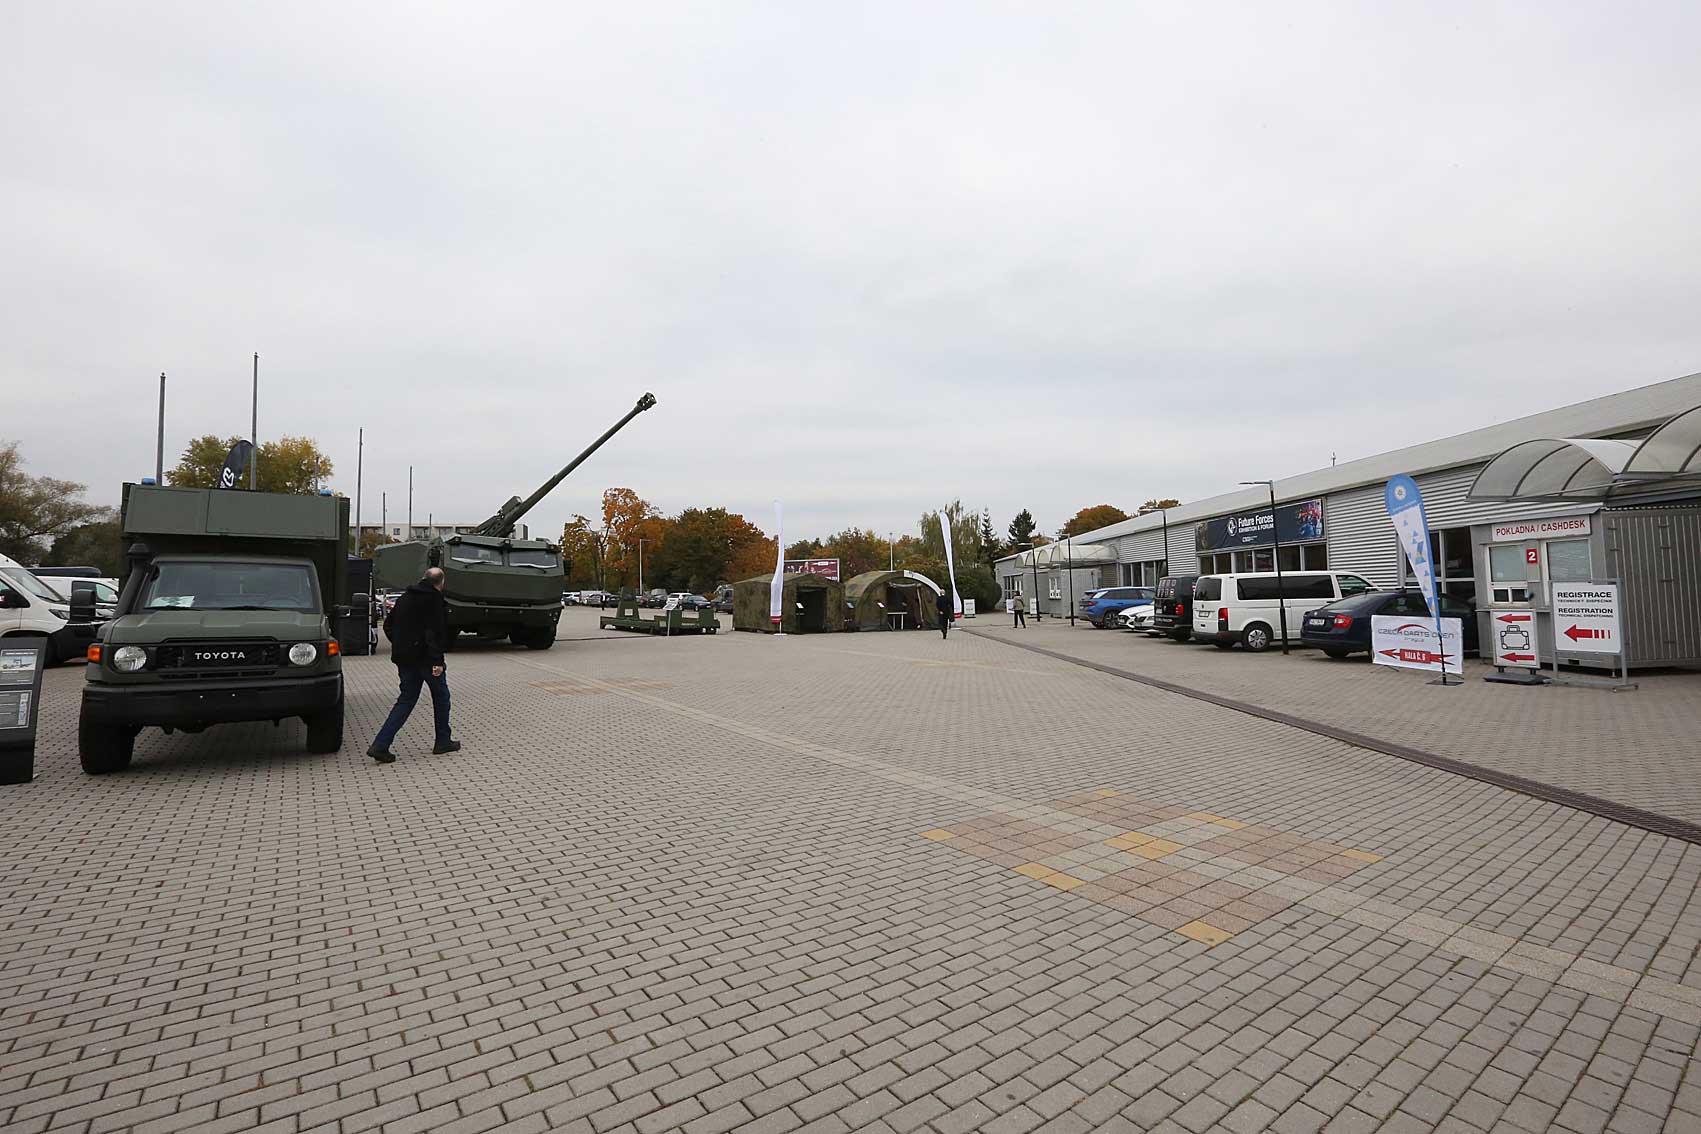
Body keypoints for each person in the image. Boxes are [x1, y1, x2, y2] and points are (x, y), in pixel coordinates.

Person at [368, 567, 460, 764]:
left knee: (406, 700)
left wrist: (401, 645)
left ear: (423, 578)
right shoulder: (434, 600)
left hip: (405, 659)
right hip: (427, 660)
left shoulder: (405, 598)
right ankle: (443, 741)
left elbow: (388, 625)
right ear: (441, 583)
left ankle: (380, 744)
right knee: (441, 698)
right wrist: (437, 661)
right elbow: (434, 632)